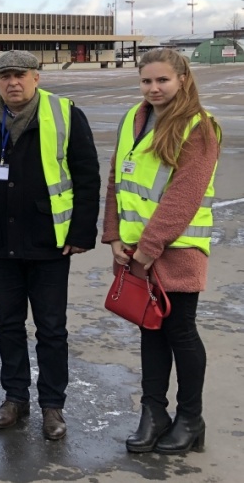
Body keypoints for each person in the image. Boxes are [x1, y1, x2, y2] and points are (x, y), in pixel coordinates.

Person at [0, 50, 100, 440]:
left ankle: (52, 406)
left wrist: (80, 233)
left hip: (49, 241)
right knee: (8, 323)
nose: (12, 82)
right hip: (0, 239)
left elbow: (87, 176)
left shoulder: (65, 113)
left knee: (52, 328)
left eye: (20, 75)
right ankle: (14, 398)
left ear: (36, 77)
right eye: (4, 76)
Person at [102, 49, 219, 455]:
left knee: (181, 332)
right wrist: (114, 235)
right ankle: (154, 413)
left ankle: (191, 418)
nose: (153, 88)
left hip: (177, 250)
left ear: (182, 79)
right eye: (146, 81)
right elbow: (118, 178)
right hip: (135, 250)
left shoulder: (198, 127)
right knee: (149, 331)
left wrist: (147, 250)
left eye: (162, 80)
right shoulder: (134, 118)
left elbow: (183, 197)